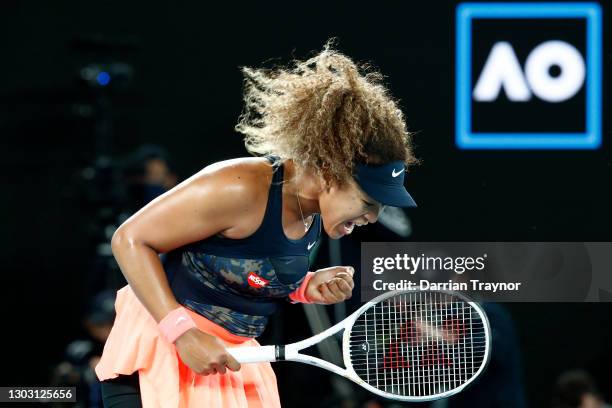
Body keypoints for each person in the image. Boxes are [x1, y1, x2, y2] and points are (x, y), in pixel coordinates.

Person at [94, 40, 418, 407]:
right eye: (367, 201)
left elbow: (241, 267)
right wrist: (182, 334)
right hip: (164, 354)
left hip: (228, 362)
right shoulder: (239, 187)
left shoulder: (312, 213)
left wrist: (304, 286)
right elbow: (131, 239)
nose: (372, 217)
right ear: (330, 173)